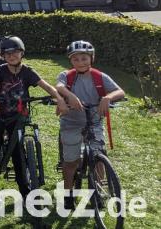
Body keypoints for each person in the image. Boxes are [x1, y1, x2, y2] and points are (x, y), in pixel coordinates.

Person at [0, 36, 68, 198]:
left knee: (18, 153)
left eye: (15, 52)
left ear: (22, 53)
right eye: (7, 53)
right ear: (2, 55)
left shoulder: (28, 71)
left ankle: (24, 190)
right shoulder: (0, 70)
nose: (11, 56)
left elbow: (46, 86)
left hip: (18, 116)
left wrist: (59, 99)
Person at [55, 40, 124, 211]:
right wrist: (69, 96)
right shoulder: (67, 75)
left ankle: (98, 191)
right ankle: (68, 194)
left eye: (84, 58)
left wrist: (108, 97)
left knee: (99, 157)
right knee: (70, 162)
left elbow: (120, 91)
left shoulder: (100, 77)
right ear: (71, 61)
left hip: (94, 121)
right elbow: (59, 86)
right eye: (76, 59)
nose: (80, 62)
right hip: (71, 123)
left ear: (91, 58)